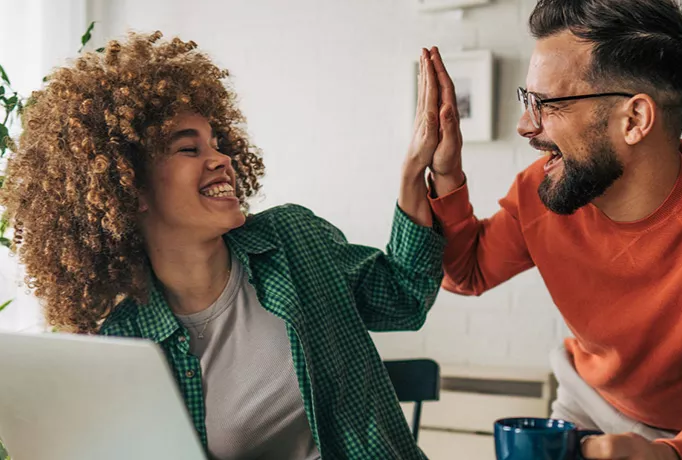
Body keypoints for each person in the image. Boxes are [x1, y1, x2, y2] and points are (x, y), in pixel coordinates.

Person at [0, 32, 459, 459]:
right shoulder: (126, 342)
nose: (221, 159)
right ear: (129, 188)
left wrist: (419, 169)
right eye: (189, 149)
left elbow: (404, 297)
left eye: (217, 144)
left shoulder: (294, 240)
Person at [422, 0, 682, 459]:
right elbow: (468, 271)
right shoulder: (545, 189)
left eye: (547, 104)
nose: (526, 125)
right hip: (581, 408)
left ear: (634, 120)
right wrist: (446, 174)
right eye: (529, 100)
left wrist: (659, 454)